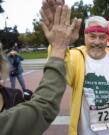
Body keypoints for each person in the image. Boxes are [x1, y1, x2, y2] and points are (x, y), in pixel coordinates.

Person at [41, 3, 109, 135]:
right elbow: (59, 70)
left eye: (102, 37)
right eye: (92, 36)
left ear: (107, 38)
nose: (97, 42)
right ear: (84, 36)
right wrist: (59, 44)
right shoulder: (75, 57)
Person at [0, 4, 73, 133]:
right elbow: (42, 107)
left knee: (20, 87)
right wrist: (58, 47)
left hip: (18, 75)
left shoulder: (13, 96)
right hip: (14, 75)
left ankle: (26, 92)